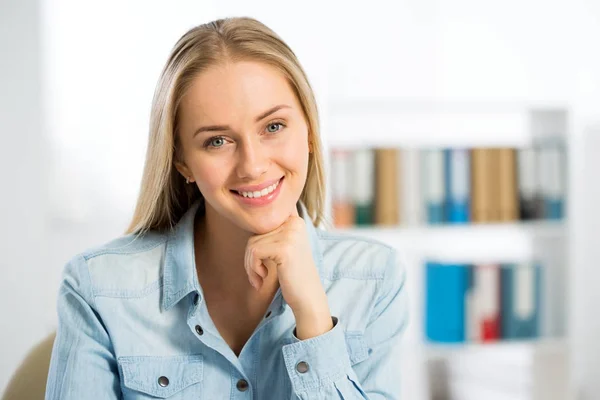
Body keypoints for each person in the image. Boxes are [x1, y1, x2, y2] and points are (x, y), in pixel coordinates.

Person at [45, 17, 408, 399]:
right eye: (217, 141)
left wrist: (314, 319)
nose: (252, 165)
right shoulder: (98, 288)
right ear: (181, 160)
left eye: (273, 127)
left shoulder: (375, 280)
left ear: (310, 133)